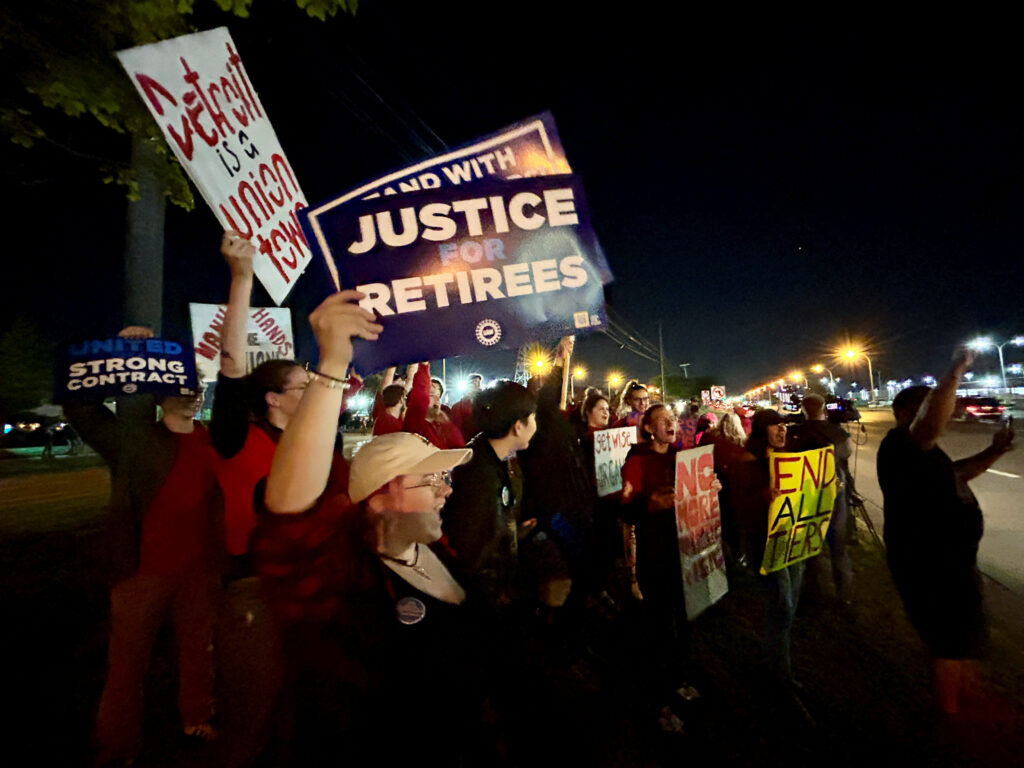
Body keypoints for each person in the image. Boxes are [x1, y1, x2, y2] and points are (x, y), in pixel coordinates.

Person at [66, 326, 222, 767]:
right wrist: (127, 351)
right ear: (159, 394)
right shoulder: (135, 440)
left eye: (198, 387)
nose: (194, 395)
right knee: (127, 662)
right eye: (184, 388)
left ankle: (196, 717)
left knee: (198, 651)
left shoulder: (211, 440)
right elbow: (83, 409)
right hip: (141, 572)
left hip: (198, 571)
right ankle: (118, 746)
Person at [877, 349, 1014, 716]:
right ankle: (949, 718)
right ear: (906, 413)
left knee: (960, 634)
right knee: (947, 641)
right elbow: (928, 424)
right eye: (927, 407)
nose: (948, 411)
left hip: (952, 561)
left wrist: (995, 451)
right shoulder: (901, 445)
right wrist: (954, 372)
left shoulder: (925, 454)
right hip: (930, 564)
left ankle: (967, 694)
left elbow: (958, 474)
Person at [620, 403, 704, 733]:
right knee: (658, 627)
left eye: (673, 419)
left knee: (684, 619)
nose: (671, 423)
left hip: (684, 553)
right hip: (654, 557)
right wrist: (650, 504)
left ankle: (680, 678)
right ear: (649, 429)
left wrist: (711, 489)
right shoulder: (637, 460)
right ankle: (658, 700)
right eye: (663, 420)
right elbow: (626, 511)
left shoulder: (684, 459)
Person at [734, 409, 803, 684]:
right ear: (763, 431)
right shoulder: (747, 462)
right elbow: (739, 505)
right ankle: (778, 673)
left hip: (793, 539)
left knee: (788, 606)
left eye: (783, 425)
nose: (782, 429)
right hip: (764, 541)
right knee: (781, 605)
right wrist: (761, 496)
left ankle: (776, 661)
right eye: (775, 425)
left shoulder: (789, 458)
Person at [786, 393, 854, 603]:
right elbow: (846, 454)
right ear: (824, 409)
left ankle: (812, 592)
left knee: (809, 544)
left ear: (803, 410)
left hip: (806, 493)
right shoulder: (838, 433)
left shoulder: (794, 433)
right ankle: (844, 595)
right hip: (834, 490)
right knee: (838, 545)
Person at [403, 362, 465, 449]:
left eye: (437, 397)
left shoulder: (441, 423)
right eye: (431, 395)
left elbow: (458, 446)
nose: (436, 401)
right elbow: (421, 390)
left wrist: (447, 425)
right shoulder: (414, 419)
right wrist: (424, 366)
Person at [451, 372, 483, 438]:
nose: (476, 385)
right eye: (473, 382)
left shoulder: (486, 403)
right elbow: (456, 428)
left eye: (478, 382)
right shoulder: (457, 407)